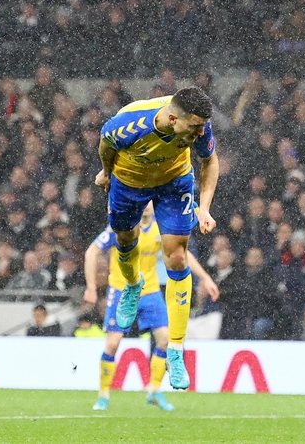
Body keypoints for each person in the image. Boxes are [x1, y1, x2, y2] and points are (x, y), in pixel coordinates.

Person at [95, 87, 219, 390]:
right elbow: (105, 144)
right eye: (194, 127)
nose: (200, 133)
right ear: (173, 118)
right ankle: (133, 285)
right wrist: (105, 172)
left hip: (173, 183)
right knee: (125, 242)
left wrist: (204, 209)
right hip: (128, 182)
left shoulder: (197, 125)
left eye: (203, 126)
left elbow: (210, 161)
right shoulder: (127, 125)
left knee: (176, 256)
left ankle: (176, 349)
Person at [83, 202, 218, 411]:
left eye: (149, 202)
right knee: (112, 344)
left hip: (151, 291)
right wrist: (91, 287)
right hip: (122, 289)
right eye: (142, 201)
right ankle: (103, 395)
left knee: (165, 340)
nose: (145, 206)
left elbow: (182, 254)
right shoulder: (123, 225)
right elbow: (91, 252)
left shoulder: (160, 228)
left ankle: (154, 390)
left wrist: (205, 278)